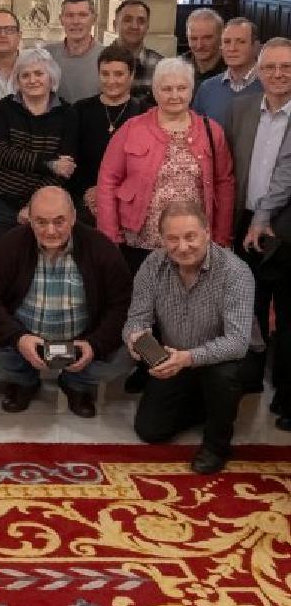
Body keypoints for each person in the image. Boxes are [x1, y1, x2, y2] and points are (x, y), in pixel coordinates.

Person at [0, 187, 133, 417]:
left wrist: (94, 345)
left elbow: (121, 304)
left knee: (127, 353)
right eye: (41, 222)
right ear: (29, 219)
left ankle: (76, 383)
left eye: (59, 222)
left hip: (81, 342)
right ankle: (24, 380)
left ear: (74, 217)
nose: (50, 231)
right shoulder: (12, 243)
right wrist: (18, 338)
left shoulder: (100, 246)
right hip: (26, 340)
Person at [125, 200, 255, 474]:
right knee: (150, 431)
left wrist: (188, 358)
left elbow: (237, 342)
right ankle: (206, 403)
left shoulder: (236, 272)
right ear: (162, 239)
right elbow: (136, 319)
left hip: (226, 359)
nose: (182, 247)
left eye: (190, 237)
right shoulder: (153, 264)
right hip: (175, 356)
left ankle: (217, 445)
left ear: (207, 232)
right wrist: (136, 339)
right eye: (172, 238)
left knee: (223, 377)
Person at [96, 57, 234, 274]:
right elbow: (107, 180)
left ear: (192, 90)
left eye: (182, 88)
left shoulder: (212, 131)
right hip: (140, 242)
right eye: (167, 89)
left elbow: (224, 183)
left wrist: (222, 236)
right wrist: (109, 234)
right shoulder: (132, 128)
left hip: (192, 242)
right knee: (141, 303)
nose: (175, 95)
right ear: (155, 90)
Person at [231, 38, 291, 420]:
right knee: (247, 306)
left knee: (287, 315)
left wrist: (263, 218)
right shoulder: (241, 109)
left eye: (286, 67)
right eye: (270, 67)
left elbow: (287, 177)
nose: (278, 74)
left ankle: (286, 395)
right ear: (259, 71)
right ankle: (249, 376)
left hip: (286, 230)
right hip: (243, 224)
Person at [0, 48, 78, 248]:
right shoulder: (4, 108)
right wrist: (49, 163)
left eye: (39, 73)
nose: (32, 80)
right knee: (1, 266)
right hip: (2, 205)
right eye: (25, 75)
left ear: (51, 77)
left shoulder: (68, 114)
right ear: (17, 80)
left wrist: (33, 206)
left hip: (47, 210)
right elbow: (1, 153)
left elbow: (65, 169)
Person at [71, 45, 145, 223]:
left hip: (129, 204)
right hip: (84, 204)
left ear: (132, 75)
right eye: (105, 74)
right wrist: (87, 193)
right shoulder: (80, 110)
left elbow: (144, 167)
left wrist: (109, 192)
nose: (111, 81)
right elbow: (70, 157)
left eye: (119, 74)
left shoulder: (144, 113)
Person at [192, 18, 263, 127]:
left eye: (241, 42)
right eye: (227, 42)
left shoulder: (269, 87)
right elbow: (196, 132)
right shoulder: (207, 88)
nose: (232, 48)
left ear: (256, 46)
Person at [45, 0, 103, 104]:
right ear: (61, 19)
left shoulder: (107, 57)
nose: (76, 22)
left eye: (82, 15)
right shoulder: (46, 56)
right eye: (69, 15)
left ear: (94, 19)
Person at [111, 0, 163, 104]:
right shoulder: (97, 62)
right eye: (127, 20)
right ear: (115, 25)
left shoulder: (161, 67)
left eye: (141, 21)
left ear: (147, 27)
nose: (134, 26)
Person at [182, 7, 226, 91]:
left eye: (207, 38)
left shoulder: (233, 70)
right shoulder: (178, 67)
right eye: (193, 38)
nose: (199, 45)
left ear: (221, 36)